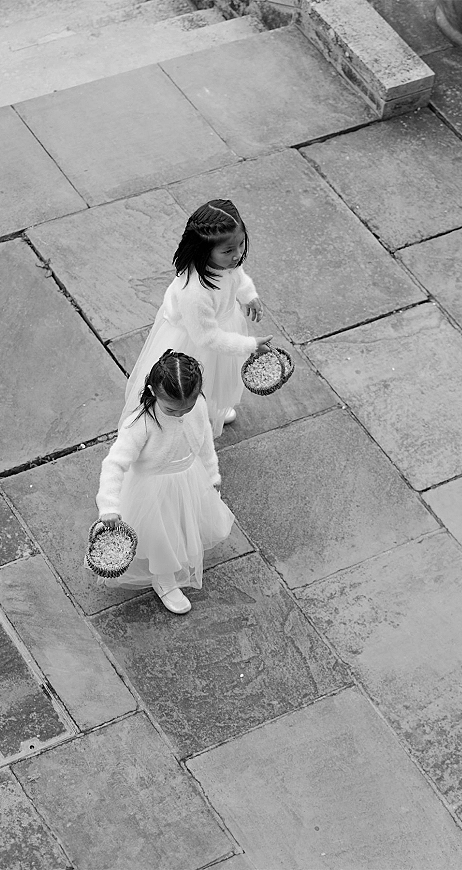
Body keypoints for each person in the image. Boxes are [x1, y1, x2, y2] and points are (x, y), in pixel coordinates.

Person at [95, 350, 235, 614]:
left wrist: (211, 473)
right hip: (153, 490)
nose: (181, 414)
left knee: (183, 525)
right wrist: (109, 504)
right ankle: (164, 580)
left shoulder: (198, 406)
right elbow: (115, 463)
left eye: (188, 407)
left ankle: (171, 566)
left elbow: (205, 440)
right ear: (152, 392)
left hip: (188, 479)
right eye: (171, 409)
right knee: (161, 536)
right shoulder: (141, 424)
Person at [121, 199, 273, 437]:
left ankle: (211, 408)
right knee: (192, 379)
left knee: (216, 375)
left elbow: (236, 276)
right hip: (193, 338)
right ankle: (185, 417)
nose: (237, 255)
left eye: (241, 245)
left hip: (221, 324)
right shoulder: (194, 291)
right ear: (204, 250)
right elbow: (207, 338)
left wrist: (248, 295)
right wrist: (249, 346)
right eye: (228, 251)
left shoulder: (224, 262)